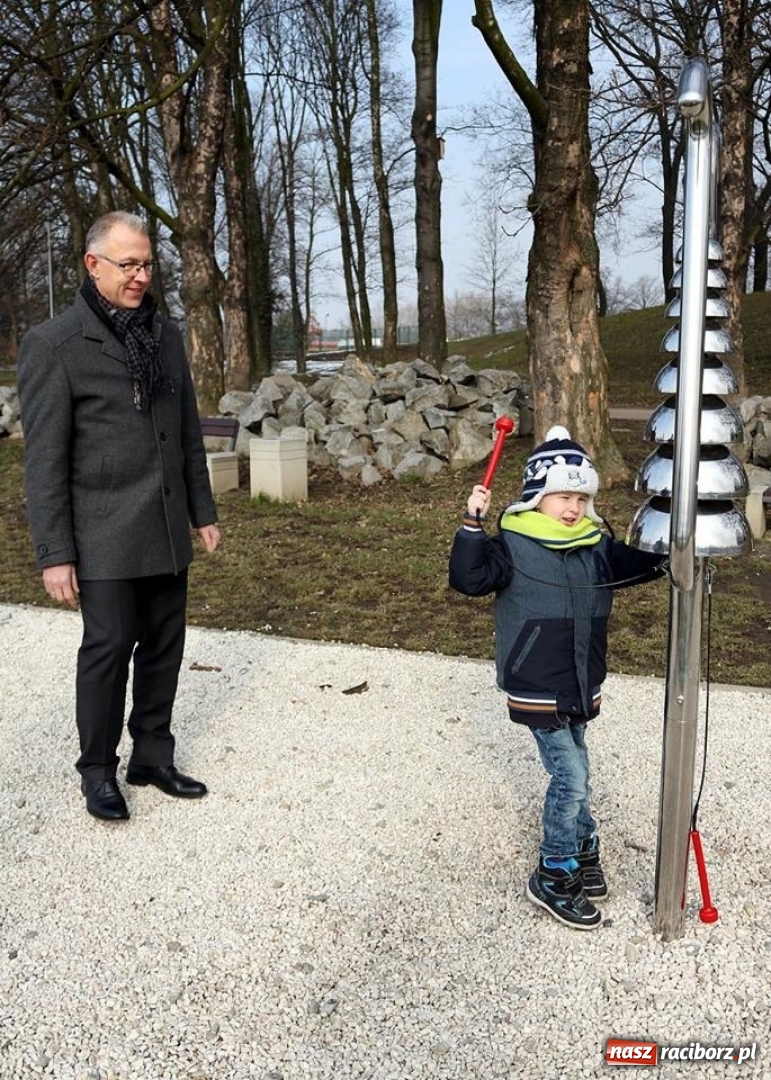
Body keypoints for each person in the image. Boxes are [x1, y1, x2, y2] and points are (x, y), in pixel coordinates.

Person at [18, 210, 221, 822]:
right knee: (107, 649)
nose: (139, 276)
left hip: (163, 525)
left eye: (146, 264)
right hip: (101, 532)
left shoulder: (163, 335)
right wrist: (55, 553)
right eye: (127, 264)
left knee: (164, 646)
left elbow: (185, 431)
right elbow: (44, 461)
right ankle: (97, 771)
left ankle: (152, 756)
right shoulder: (54, 345)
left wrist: (201, 511)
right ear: (92, 264)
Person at [449, 426, 665, 930]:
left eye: (581, 497)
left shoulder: (594, 544)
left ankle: (582, 845)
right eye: (562, 496)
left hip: (580, 678)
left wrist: (672, 557)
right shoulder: (511, 546)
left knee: (579, 768)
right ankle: (554, 868)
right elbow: (468, 579)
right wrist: (470, 528)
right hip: (536, 679)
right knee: (570, 777)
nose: (572, 507)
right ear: (537, 498)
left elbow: (636, 565)